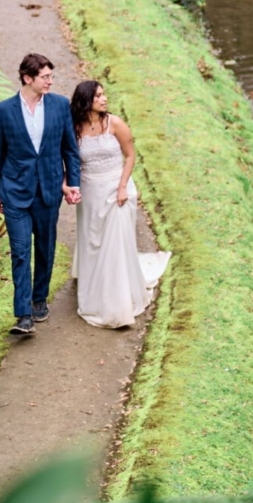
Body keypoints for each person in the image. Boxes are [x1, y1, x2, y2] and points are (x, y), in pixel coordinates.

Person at [0, 52, 81, 338]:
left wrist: (73, 182)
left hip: (48, 189)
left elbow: (69, 149)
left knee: (45, 246)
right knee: (20, 252)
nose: (50, 81)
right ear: (28, 78)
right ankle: (23, 314)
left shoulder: (59, 106)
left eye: (51, 76)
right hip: (15, 192)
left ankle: (39, 297)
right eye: (45, 77)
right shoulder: (3, 110)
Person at [70, 79, 169, 329]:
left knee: (114, 245)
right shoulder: (75, 128)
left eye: (104, 94)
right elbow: (69, 160)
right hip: (90, 191)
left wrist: (123, 186)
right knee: (94, 242)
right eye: (98, 96)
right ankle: (94, 289)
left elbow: (130, 154)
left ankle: (117, 304)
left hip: (118, 191)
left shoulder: (115, 123)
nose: (104, 99)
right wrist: (68, 185)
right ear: (86, 102)